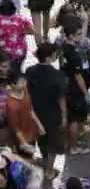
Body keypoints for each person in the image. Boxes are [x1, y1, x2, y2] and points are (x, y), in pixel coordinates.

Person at [26, 43, 66, 180]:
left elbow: (28, 93)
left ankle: (45, 162)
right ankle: (49, 169)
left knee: (41, 140)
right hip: (53, 114)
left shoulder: (30, 71)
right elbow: (61, 99)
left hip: (36, 113)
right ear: (50, 57)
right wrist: (64, 116)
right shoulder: (58, 75)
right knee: (53, 143)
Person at [60, 22, 90, 155]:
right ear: (70, 36)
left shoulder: (62, 48)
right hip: (74, 89)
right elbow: (78, 76)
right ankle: (73, 147)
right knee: (75, 119)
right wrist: (85, 92)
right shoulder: (74, 54)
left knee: (70, 117)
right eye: (78, 34)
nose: (81, 36)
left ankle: (69, 142)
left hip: (65, 86)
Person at [7, 71, 43, 155]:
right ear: (13, 85)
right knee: (25, 159)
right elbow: (15, 127)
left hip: (32, 132)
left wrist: (39, 125)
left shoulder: (25, 91)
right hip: (23, 137)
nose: (25, 84)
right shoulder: (11, 105)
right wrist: (24, 143)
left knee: (31, 155)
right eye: (22, 82)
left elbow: (30, 109)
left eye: (25, 81)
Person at [0, 0, 36, 74]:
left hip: (3, 53)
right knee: (17, 71)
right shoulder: (21, 18)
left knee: (5, 72)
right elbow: (33, 31)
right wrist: (21, 31)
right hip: (19, 51)